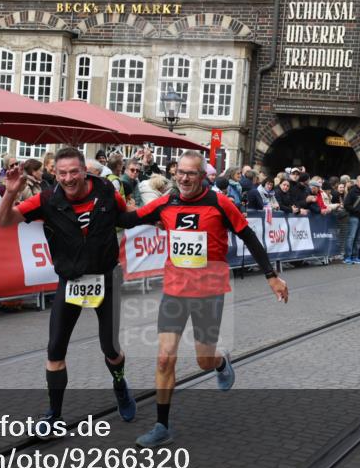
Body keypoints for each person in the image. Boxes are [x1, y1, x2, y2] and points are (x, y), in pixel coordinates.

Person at [118, 150, 289, 447]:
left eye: (191, 173)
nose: (184, 178)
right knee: (163, 357)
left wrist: (271, 276)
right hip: (174, 289)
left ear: (203, 176)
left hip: (209, 289)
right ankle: (162, 426)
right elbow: (128, 219)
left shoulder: (219, 202)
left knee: (203, 360)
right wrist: (96, 195)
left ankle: (221, 362)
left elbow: (249, 236)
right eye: (180, 172)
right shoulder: (165, 202)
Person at [0, 146, 136, 431]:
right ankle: (54, 414)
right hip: (71, 281)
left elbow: (125, 216)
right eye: (62, 173)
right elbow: (2, 221)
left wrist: (158, 215)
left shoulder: (106, 189)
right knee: (55, 350)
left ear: (85, 171)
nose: (69, 178)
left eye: (74, 172)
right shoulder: (47, 199)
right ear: (54, 173)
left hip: (105, 277)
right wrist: (10, 191)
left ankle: (120, 384)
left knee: (110, 348)